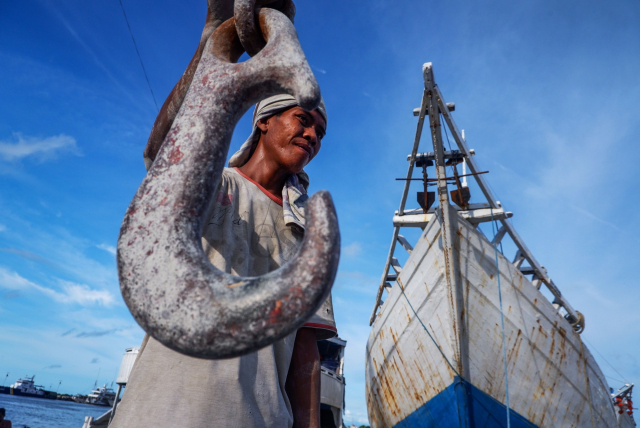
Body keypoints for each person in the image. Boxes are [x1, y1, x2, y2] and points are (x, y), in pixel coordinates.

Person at [110, 94, 336, 428]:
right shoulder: (211, 184)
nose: (313, 135)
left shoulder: (310, 231)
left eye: (320, 131)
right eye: (303, 119)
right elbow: (167, 147)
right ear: (263, 121)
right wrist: (217, 52)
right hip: (159, 411)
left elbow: (306, 351)